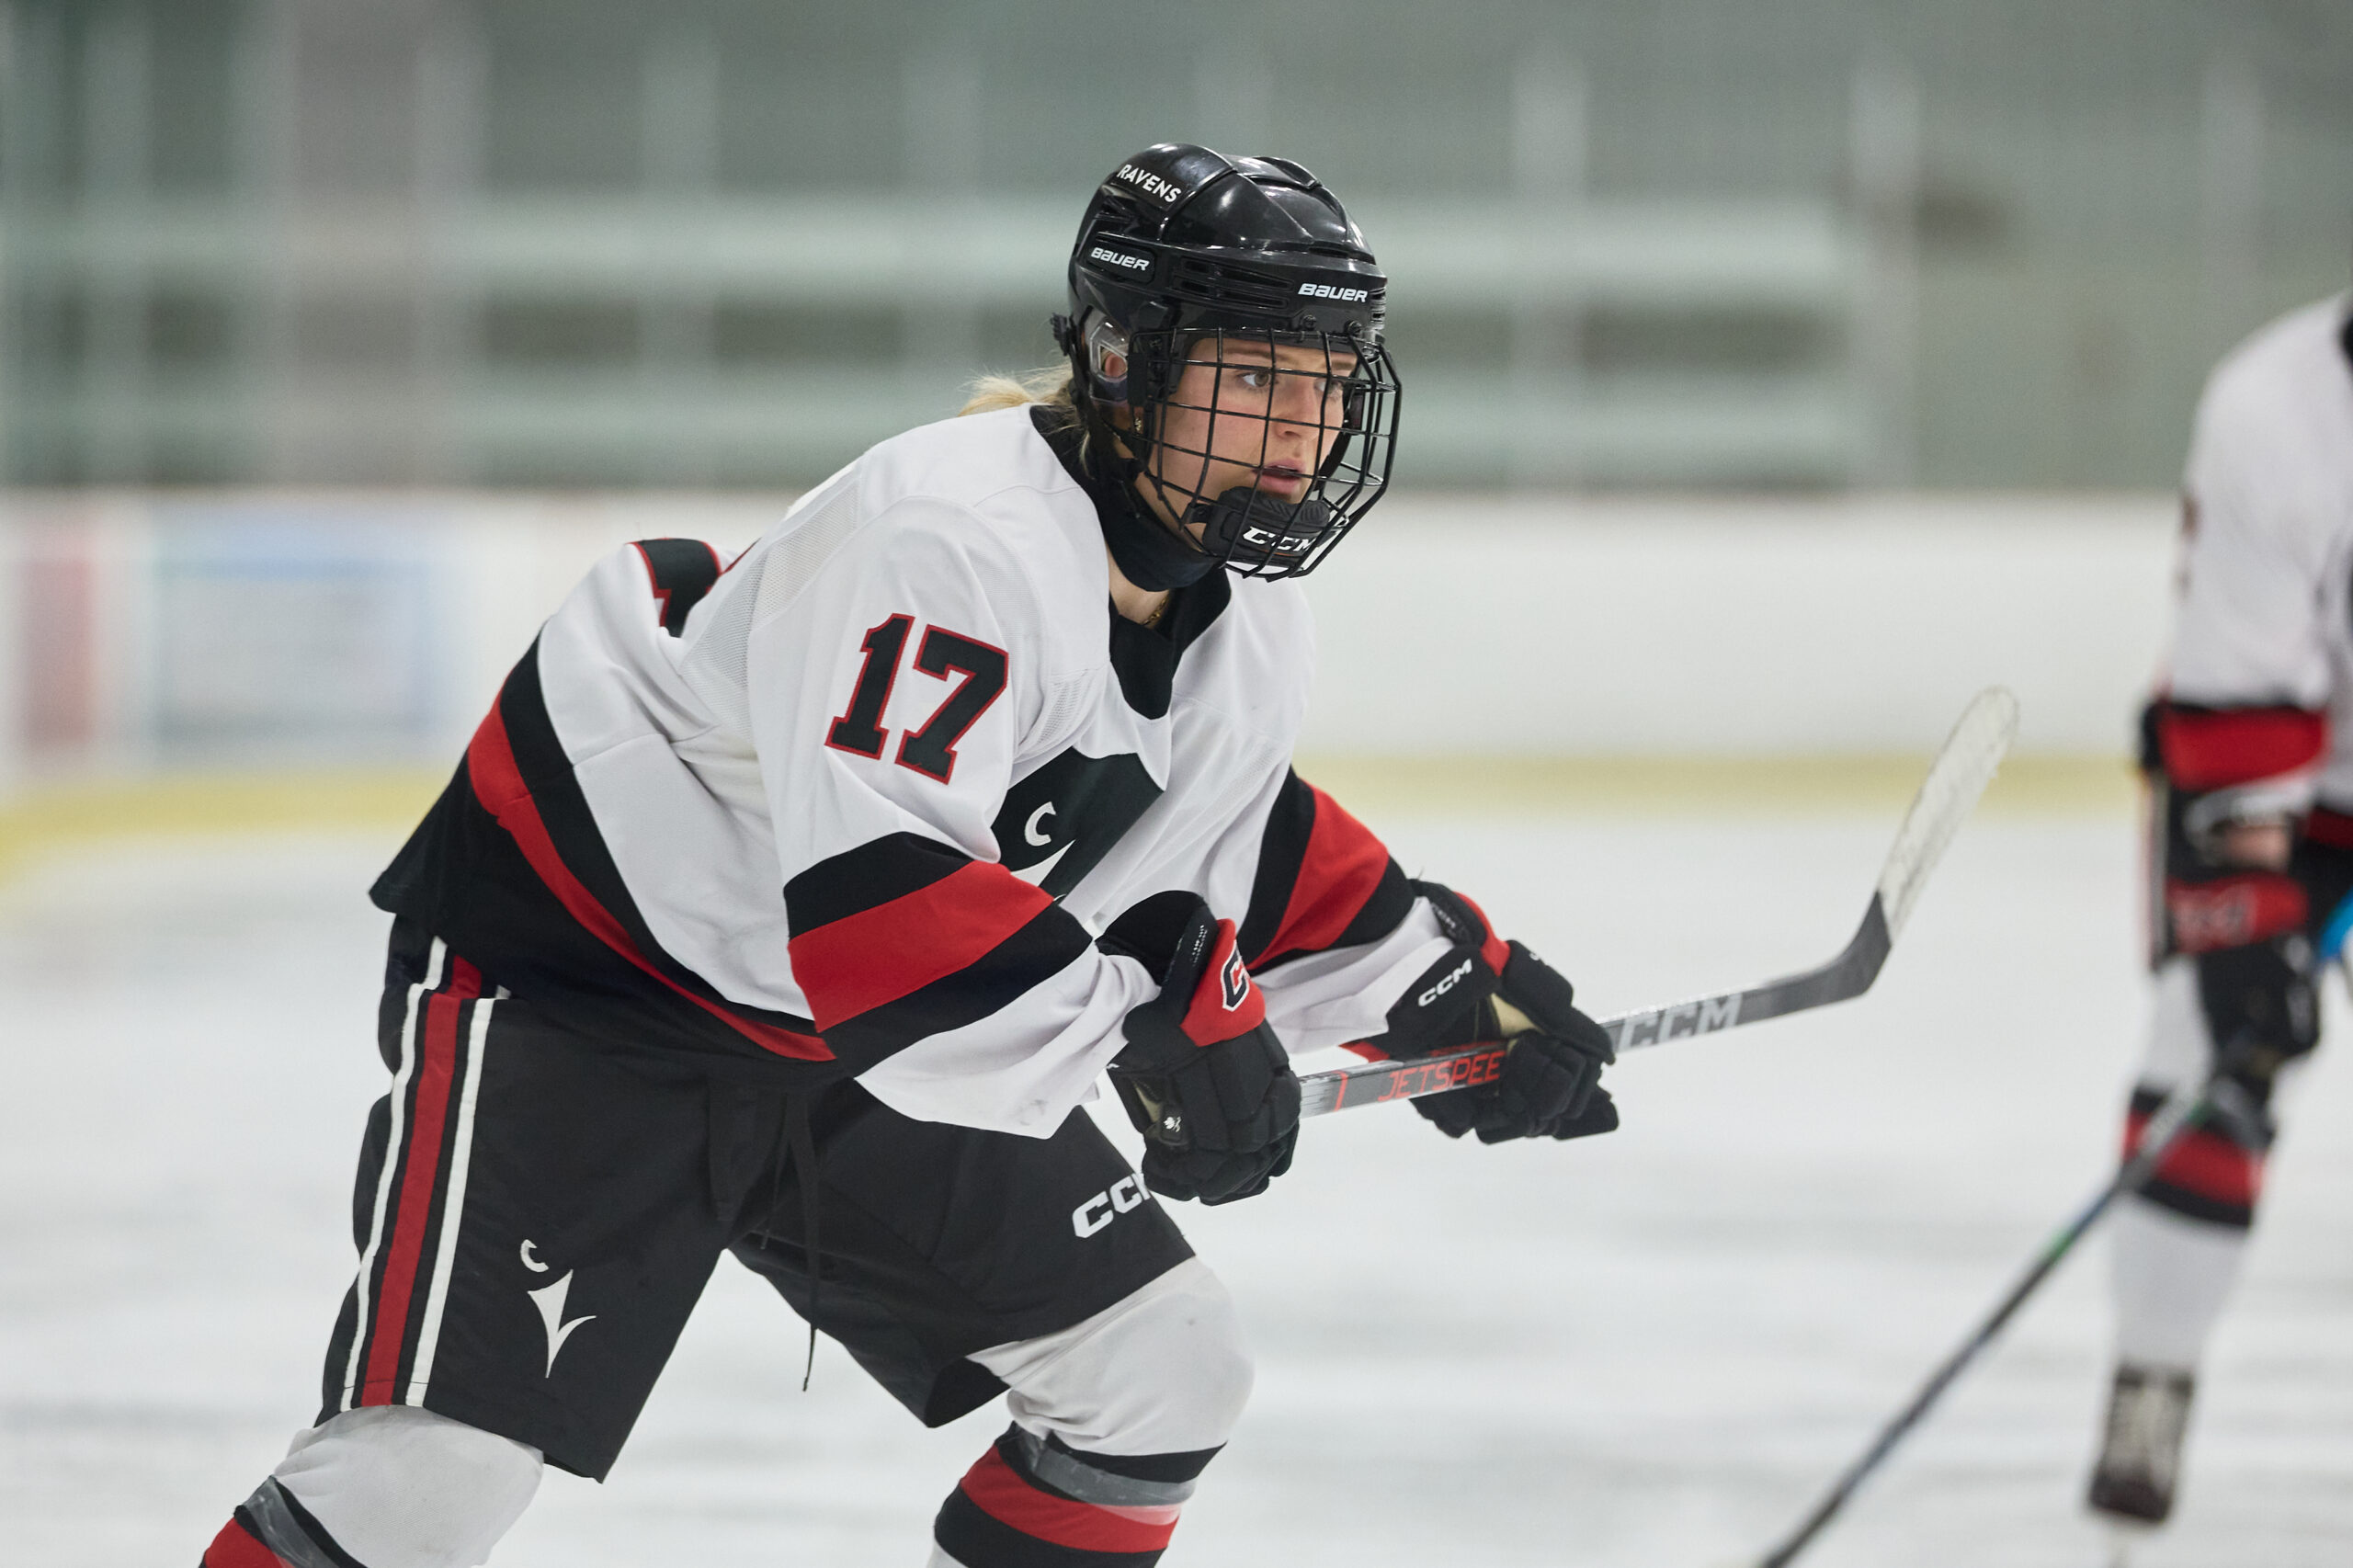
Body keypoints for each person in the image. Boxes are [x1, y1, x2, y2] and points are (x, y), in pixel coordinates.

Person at [198, 142, 1619, 1568]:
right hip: (593, 975)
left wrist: (1451, 983)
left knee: (1165, 1366)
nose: (1298, 431)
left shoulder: (1243, 620)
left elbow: (1229, 832)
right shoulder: (955, 535)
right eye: (1254, 377)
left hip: (848, 1032)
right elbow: (884, 927)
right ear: (1127, 360)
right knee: (426, 1481)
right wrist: (1153, 1033)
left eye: (1324, 382)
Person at [2089, 290, 2353, 1528]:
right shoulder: (2280, 411)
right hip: (2280, 791)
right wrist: (2256, 924)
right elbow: (2238, 701)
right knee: (2209, 1059)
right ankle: (2156, 1362)